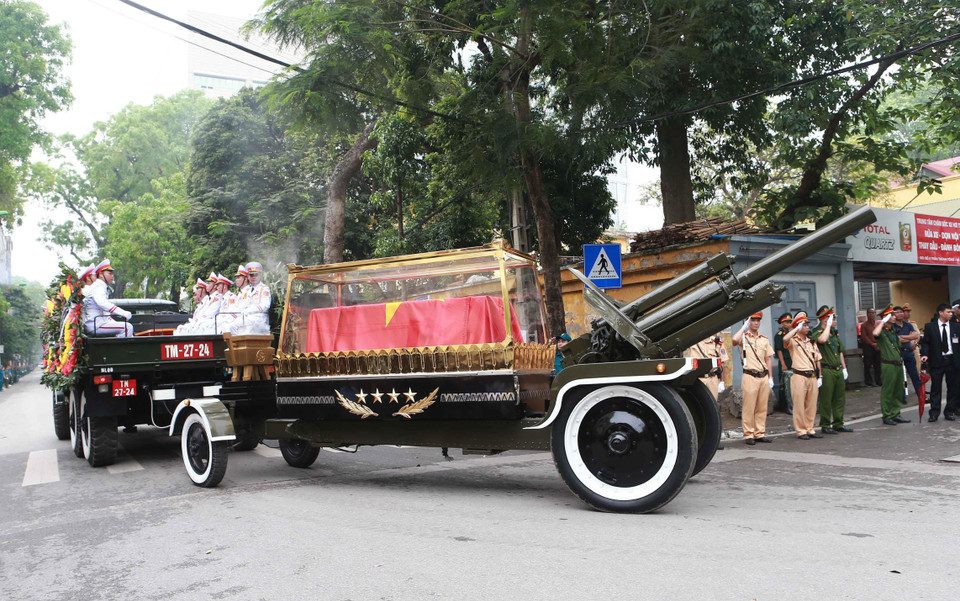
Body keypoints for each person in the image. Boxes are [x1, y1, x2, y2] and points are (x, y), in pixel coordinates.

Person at [732, 312, 774, 445]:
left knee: (762, 407)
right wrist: (743, 327)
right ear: (748, 321)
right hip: (750, 375)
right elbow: (734, 340)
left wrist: (770, 377)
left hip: (763, 376)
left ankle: (759, 433)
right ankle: (748, 434)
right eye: (753, 320)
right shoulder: (743, 338)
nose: (756, 323)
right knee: (749, 407)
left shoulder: (764, 339)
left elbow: (768, 358)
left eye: (758, 320)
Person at [812, 306, 852, 434]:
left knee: (839, 399)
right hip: (826, 370)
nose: (835, 321)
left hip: (838, 369)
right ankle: (825, 425)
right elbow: (822, 340)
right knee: (826, 399)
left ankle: (838, 423)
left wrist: (844, 368)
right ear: (826, 320)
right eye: (833, 319)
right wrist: (828, 326)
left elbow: (840, 352)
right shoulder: (817, 332)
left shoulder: (834, 333)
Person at [783, 311, 822, 440]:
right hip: (799, 375)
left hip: (812, 376)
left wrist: (820, 376)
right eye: (804, 325)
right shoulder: (793, 341)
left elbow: (817, 359)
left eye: (807, 324)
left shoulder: (811, 342)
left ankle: (810, 428)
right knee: (799, 405)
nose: (807, 327)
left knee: (812, 404)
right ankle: (801, 430)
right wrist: (795, 329)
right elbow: (785, 339)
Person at [919, 303, 960, 422]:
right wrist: (924, 354)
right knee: (936, 387)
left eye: (951, 312)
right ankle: (934, 413)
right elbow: (926, 343)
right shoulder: (930, 327)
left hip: (952, 360)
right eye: (948, 312)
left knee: (953, 388)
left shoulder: (956, 326)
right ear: (940, 313)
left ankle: (950, 411)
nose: (951, 314)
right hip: (937, 361)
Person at [873, 305, 910, 425]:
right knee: (888, 391)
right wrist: (882, 322)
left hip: (898, 364)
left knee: (898, 390)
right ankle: (887, 415)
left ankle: (895, 413)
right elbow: (875, 333)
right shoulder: (882, 331)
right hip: (888, 365)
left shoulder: (893, 330)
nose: (894, 317)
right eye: (892, 315)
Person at [81, 260, 134, 337]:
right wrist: (123, 313)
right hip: (96, 324)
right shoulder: (98, 287)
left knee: (127, 330)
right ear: (101, 275)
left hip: (98, 322)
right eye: (109, 273)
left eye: (112, 274)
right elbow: (102, 303)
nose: (112, 276)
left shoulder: (100, 286)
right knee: (127, 327)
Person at [892, 305, 921, 403]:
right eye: (897, 312)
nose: (900, 314)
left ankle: (921, 395)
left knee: (915, 375)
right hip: (898, 353)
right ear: (893, 315)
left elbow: (916, 335)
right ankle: (902, 397)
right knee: (901, 377)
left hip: (909, 352)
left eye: (901, 312)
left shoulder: (908, 325)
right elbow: (897, 339)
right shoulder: (892, 326)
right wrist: (909, 337)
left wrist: (903, 337)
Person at [685, 333, 728, 399]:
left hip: (712, 379)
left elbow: (722, 363)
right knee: (697, 402)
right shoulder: (693, 341)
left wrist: (722, 382)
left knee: (713, 402)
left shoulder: (716, 342)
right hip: (698, 379)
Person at [232, 261, 271, 334]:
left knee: (234, 326)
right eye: (251, 275)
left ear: (260, 275)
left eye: (256, 275)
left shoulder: (264, 288)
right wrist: (234, 315)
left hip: (259, 319)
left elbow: (265, 305)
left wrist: (249, 310)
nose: (253, 277)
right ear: (248, 276)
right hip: (248, 318)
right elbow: (243, 305)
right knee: (231, 324)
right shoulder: (248, 290)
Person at [773, 312, 794, 415]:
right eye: (786, 322)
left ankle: (791, 404)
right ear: (782, 324)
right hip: (784, 361)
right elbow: (779, 350)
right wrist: (783, 364)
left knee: (792, 384)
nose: (788, 324)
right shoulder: (779, 335)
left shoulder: (792, 334)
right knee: (784, 384)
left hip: (792, 361)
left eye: (790, 322)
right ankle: (783, 405)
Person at [860, 308, 881, 387]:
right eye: (870, 313)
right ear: (867, 314)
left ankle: (878, 380)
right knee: (867, 364)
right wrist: (872, 344)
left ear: (875, 314)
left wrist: (878, 344)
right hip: (868, 347)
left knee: (878, 364)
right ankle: (869, 381)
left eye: (873, 312)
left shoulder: (878, 324)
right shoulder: (864, 325)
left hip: (878, 347)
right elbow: (864, 337)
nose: (871, 314)